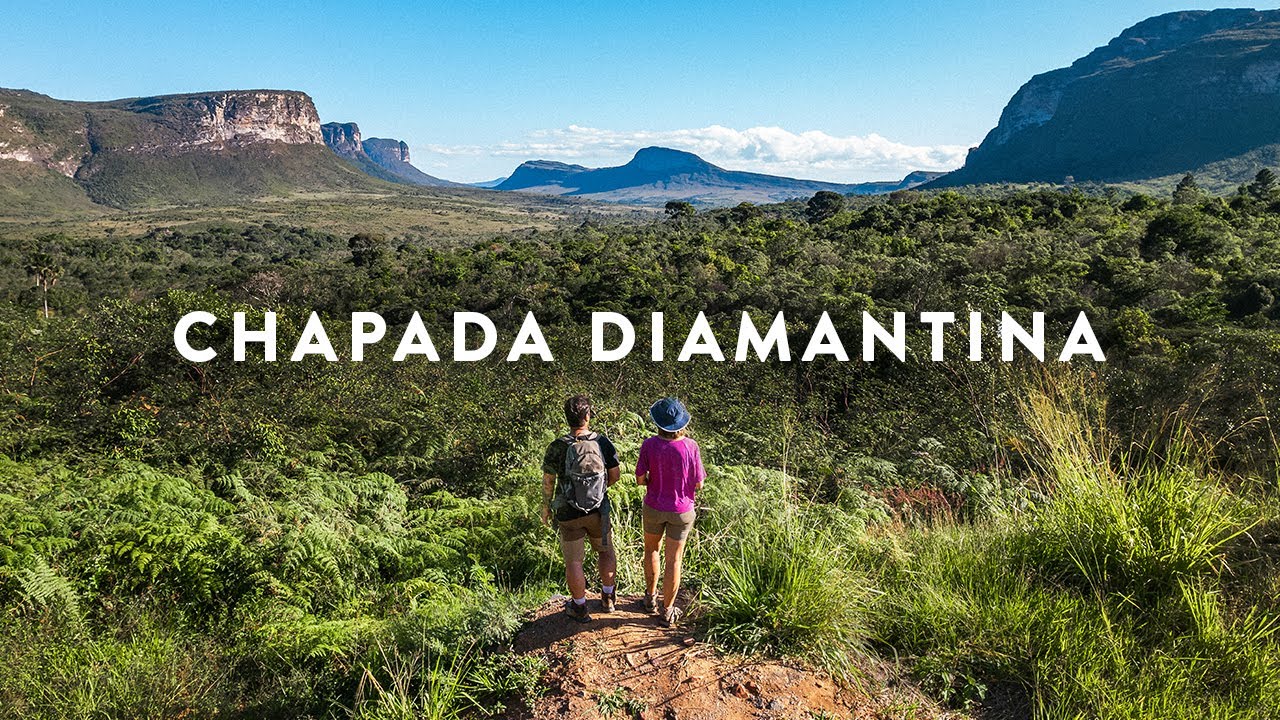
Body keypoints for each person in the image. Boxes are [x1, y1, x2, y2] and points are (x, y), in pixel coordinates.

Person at [542, 394, 621, 623]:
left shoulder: (557, 446)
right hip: (599, 510)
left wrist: (546, 507)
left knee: (573, 561)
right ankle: (608, 599)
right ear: (588, 415)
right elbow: (615, 475)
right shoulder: (602, 443)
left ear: (567, 418)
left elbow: (549, 481)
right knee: (605, 551)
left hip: (569, 514)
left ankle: (579, 607)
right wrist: (599, 489)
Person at [635, 396, 705, 627]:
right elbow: (699, 483)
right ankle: (667, 610)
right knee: (674, 559)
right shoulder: (691, 447)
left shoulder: (649, 445)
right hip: (682, 511)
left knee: (651, 550)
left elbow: (639, 479)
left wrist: (652, 481)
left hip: (654, 506)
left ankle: (650, 598)